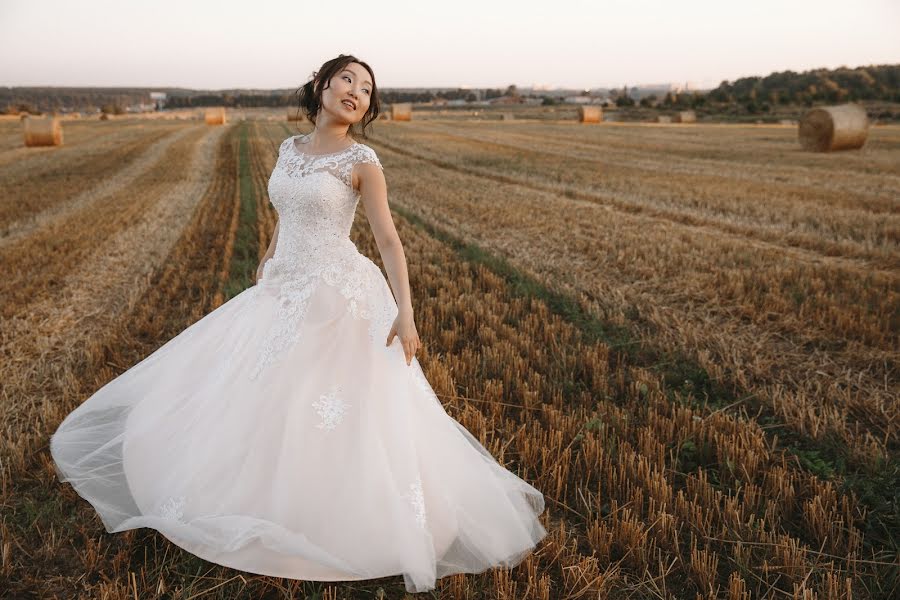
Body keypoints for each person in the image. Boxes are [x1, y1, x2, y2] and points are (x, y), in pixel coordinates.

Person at [49, 54, 547, 594]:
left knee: (324, 397)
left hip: (336, 293)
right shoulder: (290, 149)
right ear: (321, 85)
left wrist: (406, 310)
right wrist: (267, 256)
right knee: (262, 388)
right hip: (283, 284)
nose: (357, 91)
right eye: (348, 79)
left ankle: (335, 509)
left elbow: (386, 239)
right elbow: (286, 215)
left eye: (367, 89)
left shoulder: (363, 161)